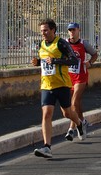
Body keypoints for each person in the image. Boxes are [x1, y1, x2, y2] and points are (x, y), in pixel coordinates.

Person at [32, 19, 85, 159]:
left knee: (67, 113)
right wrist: (38, 62)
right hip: (46, 85)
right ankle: (47, 146)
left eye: (46, 30)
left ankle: (79, 123)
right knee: (46, 114)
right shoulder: (41, 44)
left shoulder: (61, 43)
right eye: (41, 30)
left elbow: (74, 60)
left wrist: (56, 61)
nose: (43, 33)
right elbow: (44, 61)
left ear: (53, 30)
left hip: (62, 84)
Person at [65, 22, 98, 141]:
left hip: (81, 77)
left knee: (74, 103)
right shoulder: (64, 44)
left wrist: (90, 63)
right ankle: (82, 121)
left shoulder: (84, 44)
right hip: (68, 77)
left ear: (79, 30)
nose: (72, 32)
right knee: (76, 104)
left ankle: (71, 129)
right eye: (70, 30)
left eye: (74, 30)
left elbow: (95, 54)